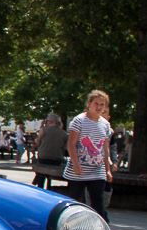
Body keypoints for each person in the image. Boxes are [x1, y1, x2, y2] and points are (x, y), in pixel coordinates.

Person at [65, 90, 114, 220]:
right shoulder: (79, 121)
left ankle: (103, 228)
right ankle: (70, 226)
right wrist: (75, 164)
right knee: (75, 200)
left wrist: (107, 170)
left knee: (98, 200)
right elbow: (71, 144)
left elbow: (105, 148)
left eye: (102, 105)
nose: (99, 107)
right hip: (79, 169)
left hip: (97, 169)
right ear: (89, 104)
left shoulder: (105, 124)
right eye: (96, 103)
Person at [32, 112, 67, 189]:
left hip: (43, 159)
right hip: (57, 160)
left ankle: (39, 184)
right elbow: (65, 148)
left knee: (41, 171)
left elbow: (37, 143)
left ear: (49, 121)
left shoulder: (43, 130)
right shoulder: (64, 134)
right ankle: (38, 179)